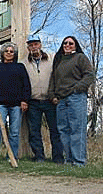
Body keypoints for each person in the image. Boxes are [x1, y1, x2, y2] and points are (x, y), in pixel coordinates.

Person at [48, 36, 94, 166]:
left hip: (76, 97)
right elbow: (53, 79)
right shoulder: (59, 60)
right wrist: (52, 95)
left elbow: (89, 75)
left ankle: (79, 161)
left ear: (75, 45)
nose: (67, 45)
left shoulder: (80, 58)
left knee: (77, 129)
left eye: (71, 43)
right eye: (65, 43)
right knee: (63, 130)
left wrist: (77, 88)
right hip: (61, 100)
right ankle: (69, 160)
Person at [22, 34, 64, 163]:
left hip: (50, 100)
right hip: (33, 101)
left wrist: (56, 95)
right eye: (30, 45)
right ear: (28, 47)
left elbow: (58, 77)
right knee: (34, 131)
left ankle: (57, 157)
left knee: (55, 130)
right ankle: (39, 156)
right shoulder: (24, 63)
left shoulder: (51, 58)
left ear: (40, 45)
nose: (33, 47)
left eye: (35, 44)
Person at [0, 42, 31, 162]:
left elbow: (26, 85)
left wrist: (24, 101)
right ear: (3, 53)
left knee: (15, 131)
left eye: (11, 51)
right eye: (7, 51)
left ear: (14, 54)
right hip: (0, 104)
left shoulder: (20, 67)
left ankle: (11, 156)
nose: (9, 53)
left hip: (16, 104)